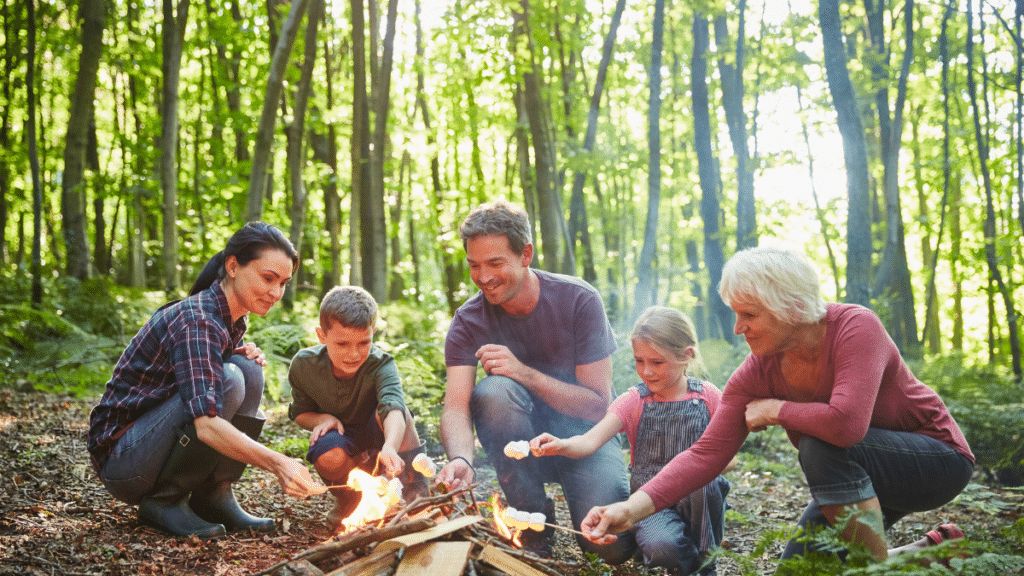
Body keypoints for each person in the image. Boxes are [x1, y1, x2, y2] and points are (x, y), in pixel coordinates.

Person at [580, 246, 975, 569]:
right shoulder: (757, 371)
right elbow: (705, 455)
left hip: (937, 461)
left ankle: (876, 569)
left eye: (749, 314)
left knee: (818, 446)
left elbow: (845, 427)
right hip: (859, 478)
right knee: (796, 571)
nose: (738, 327)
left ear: (791, 306)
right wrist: (629, 511)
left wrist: (774, 410)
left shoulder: (856, 327)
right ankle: (931, 551)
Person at [88, 222, 317, 540]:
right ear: (233, 266)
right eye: (268, 278)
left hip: (148, 445)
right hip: (124, 461)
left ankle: (214, 495)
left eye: (283, 283)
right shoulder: (199, 320)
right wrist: (278, 463)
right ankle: (164, 501)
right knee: (230, 378)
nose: (276, 293)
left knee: (246, 368)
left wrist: (234, 352)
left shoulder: (228, 317)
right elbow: (206, 424)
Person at [436, 200, 636, 562]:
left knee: (610, 551)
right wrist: (462, 458)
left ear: (526, 254)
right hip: (521, 444)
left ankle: (639, 496)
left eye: (495, 263)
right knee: (493, 392)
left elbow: (597, 406)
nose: (483, 277)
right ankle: (532, 524)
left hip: (584, 438)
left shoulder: (578, 300)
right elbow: (455, 407)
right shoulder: (468, 320)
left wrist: (523, 372)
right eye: (474, 265)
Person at [531, 306, 735, 576]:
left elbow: (729, 459)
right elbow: (590, 441)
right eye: (640, 361)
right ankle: (679, 558)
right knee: (663, 547)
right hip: (650, 502)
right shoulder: (634, 401)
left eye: (657, 362)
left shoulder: (708, 396)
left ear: (686, 355)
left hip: (700, 500)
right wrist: (561, 444)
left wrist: (694, 475)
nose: (646, 371)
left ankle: (706, 566)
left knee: (705, 485)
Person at [288, 285, 428, 531]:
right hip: (342, 441)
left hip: (378, 435)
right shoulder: (304, 365)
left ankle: (414, 491)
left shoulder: (382, 364)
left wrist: (390, 447)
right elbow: (299, 413)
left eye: (364, 342)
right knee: (328, 456)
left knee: (402, 414)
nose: (353, 354)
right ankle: (351, 501)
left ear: (373, 333)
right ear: (322, 336)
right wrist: (322, 418)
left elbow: (393, 406)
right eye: (342, 344)